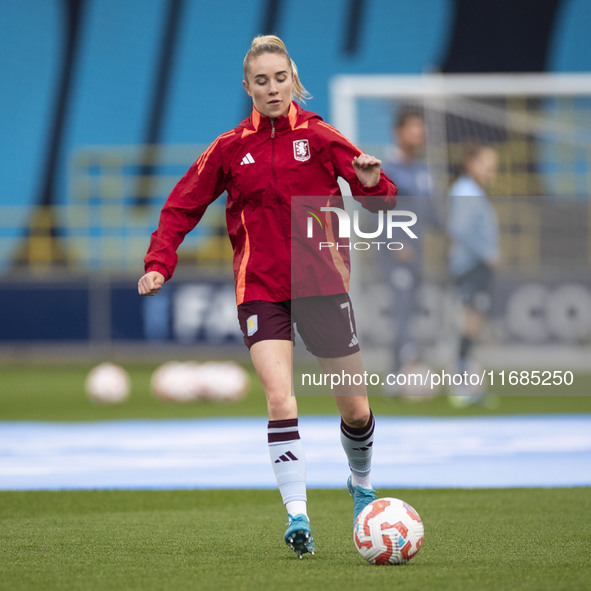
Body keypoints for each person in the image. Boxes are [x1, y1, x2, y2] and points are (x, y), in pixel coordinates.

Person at [137, 35, 398, 558]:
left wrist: (372, 184)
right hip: (260, 289)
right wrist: (159, 261)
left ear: (293, 78)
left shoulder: (322, 136)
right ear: (247, 87)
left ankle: (361, 484)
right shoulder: (231, 147)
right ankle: (297, 517)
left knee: (355, 411)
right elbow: (179, 207)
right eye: (262, 80)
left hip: (322, 286)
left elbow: (383, 202)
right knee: (280, 398)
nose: (272, 88)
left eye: (280, 78)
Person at [380, 109, 442, 393]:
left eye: (422, 128)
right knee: (402, 311)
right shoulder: (388, 169)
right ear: (399, 132)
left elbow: (431, 214)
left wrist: (452, 233)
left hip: (418, 254)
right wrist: (394, 242)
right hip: (397, 254)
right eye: (415, 128)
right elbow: (376, 212)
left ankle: (398, 374)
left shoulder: (422, 172)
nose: (421, 134)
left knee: (413, 311)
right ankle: (402, 374)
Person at [447, 142, 500, 406]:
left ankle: (468, 383)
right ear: (471, 164)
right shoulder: (466, 191)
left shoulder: (472, 191)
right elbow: (459, 228)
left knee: (473, 326)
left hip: (474, 266)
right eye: (486, 164)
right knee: (469, 325)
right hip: (471, 267)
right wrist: (487, 252)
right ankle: (461, 385)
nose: (492, 171)